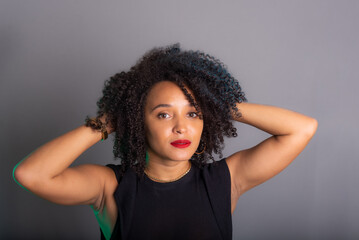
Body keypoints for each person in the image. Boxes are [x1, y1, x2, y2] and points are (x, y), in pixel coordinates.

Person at [13, 43, 318, 240]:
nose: (181, 127)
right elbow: (32, 174)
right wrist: (107, 122)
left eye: (194, 114)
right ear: (136, 121)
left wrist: (217, 105)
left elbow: (302, 128)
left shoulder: (225, 180)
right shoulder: (110, 185)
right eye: (163, 115)